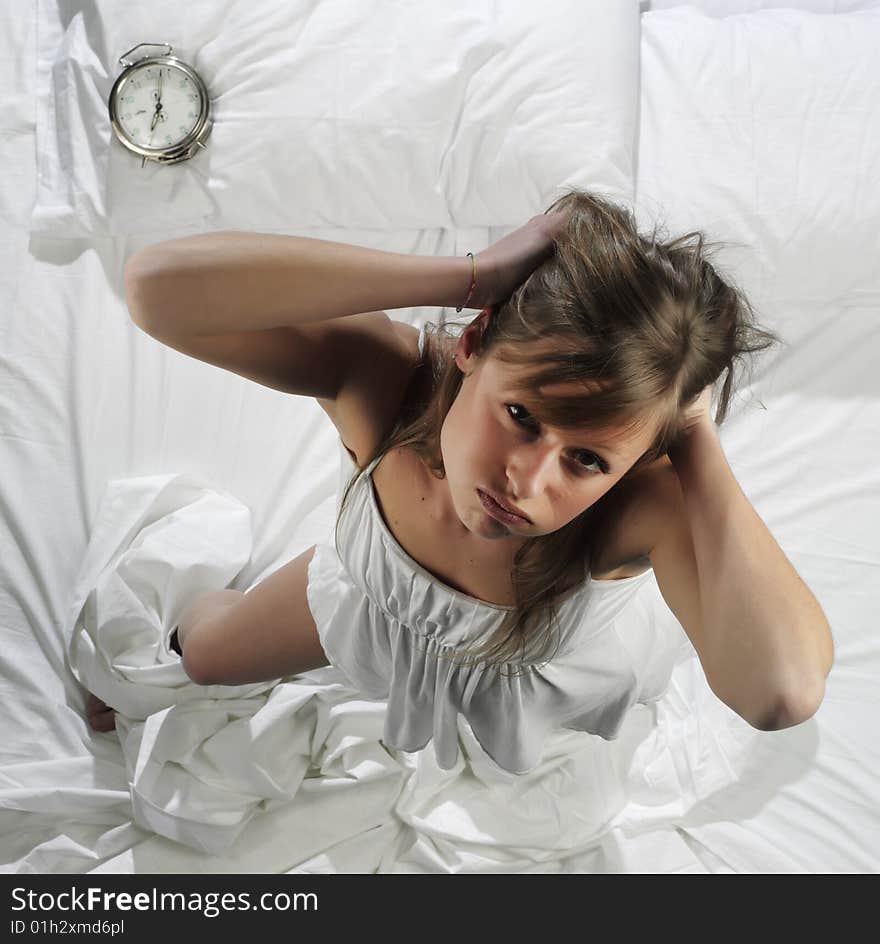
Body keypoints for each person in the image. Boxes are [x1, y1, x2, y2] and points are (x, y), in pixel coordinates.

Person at [90, 188, 828, 769]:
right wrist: (473, 275)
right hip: (371, 601)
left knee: (516, 796)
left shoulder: (638, 507)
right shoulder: (390, 383)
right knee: (211, 656)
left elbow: (781, 694)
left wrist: (693, 438)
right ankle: (180, 640)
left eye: (587, 459)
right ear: (474, 342)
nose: (527, 482)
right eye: (522, 415)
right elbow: (156, 290)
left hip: (521, 682)